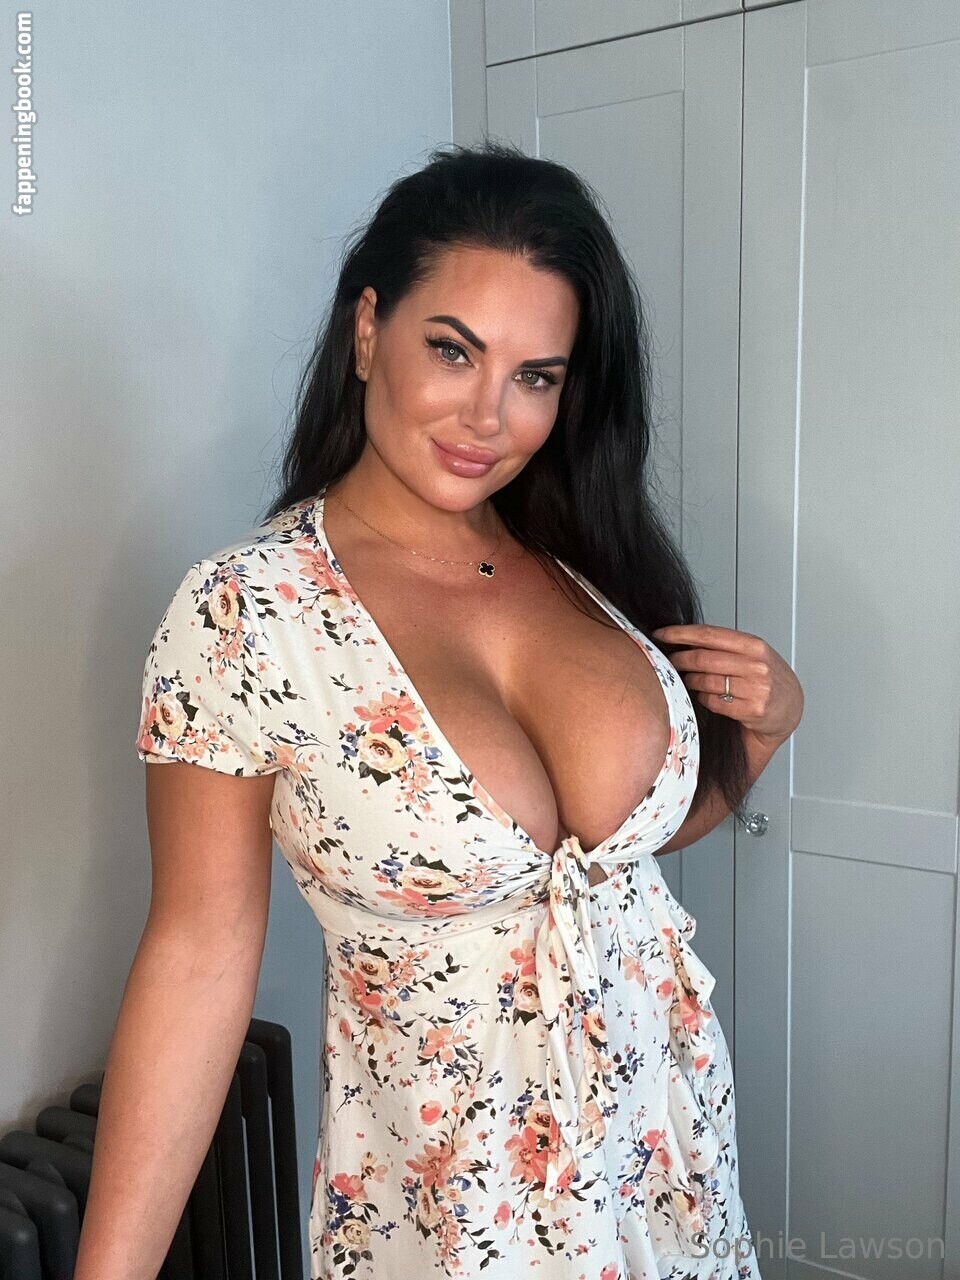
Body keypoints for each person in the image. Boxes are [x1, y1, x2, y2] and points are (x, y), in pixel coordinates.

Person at [79, 141, 803, 1279]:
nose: (488, 416)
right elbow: (198, 955)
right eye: (453, 350)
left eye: (536, 376)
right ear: (369, 330)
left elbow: (606, 871)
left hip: (666, 1165)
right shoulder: (249, 615)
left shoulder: (582, 564)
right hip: (455, 1216)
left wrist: (756, 738)